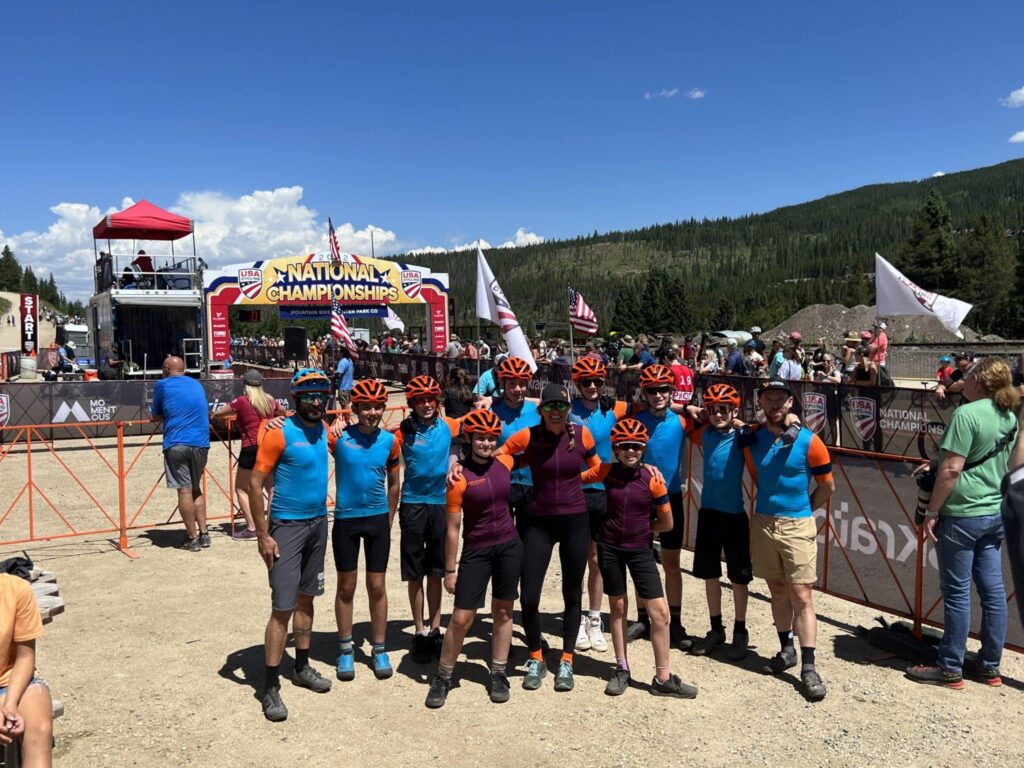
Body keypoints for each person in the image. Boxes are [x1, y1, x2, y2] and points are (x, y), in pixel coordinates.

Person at [908, 358, 1020, 688]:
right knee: (993, 590)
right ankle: (989, 664)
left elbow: (952, 471)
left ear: (979, 382)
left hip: (962, 510)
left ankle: (950, 666)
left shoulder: (967, 414)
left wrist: (931, 512)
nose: (962, 381)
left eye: (967, 376)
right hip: (993, 509)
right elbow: (982, 455)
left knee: (956, 592)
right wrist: (936, 459)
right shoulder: (1008, 414)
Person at [497, 383, 600, 692]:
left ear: (568, 408)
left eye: (561, 406)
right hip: (538, 521)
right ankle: (536, 657)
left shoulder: (582, 435)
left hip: (574, 520)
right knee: (528, 594)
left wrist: (572, 480)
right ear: (540, 409)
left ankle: (566, 659)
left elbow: (597, 468)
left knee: (572, 592)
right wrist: (520, 463)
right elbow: (500, 455)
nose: (556, 412)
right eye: (550, 407)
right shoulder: (529, 435)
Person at [586, 419, 698, 698]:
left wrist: (644, 529)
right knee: (619, 609)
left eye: (636, 446)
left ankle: (663, 678)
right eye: (624, 446)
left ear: (643, 448)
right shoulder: (605, 470)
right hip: (610, 548)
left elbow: (668, 523)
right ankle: (622, 668)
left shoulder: (653, 479)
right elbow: (571, 481)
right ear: (616, 448)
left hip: (640, 550)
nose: (630, 451)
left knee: (659, 614)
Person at [250, 368, 335, 722]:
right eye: (309, 396)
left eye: (321, 396)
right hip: (286, 526)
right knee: (282, 607)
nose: (316, 402)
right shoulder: (278, 432)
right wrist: (262, 534)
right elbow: (255, 485)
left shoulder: (324, 428)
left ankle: (301, 666)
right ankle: (269, 686)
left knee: (307, 598)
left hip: (318, 523)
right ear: (296, 399)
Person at [742, 379, 834, 702]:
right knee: (777, 590)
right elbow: (756, 473)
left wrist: (805, 509)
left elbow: (827, 487)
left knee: (802, 595)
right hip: (765, 522)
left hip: (796, 523)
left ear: (790, 404)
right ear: (761, 403)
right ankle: (787, 649)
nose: (775, 404)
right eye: (768, 398)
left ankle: (809, 667)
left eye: (780, 398)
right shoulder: (751, 439)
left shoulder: (810, 442)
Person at [425, 410, 523, 707]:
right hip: (476, 550)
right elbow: (453, 529)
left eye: (491, 438)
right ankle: (443, 676)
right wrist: (450, 570)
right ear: (468, 439)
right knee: (461, 618)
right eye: (480, 437)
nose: (486, 443)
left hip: (509, 545)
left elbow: (538, 443)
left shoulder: (505, 462)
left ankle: (498, 671)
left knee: (504, 611)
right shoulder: (458, 477)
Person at [330, 379, 402, 682]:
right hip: (346, 519)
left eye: (377, 407)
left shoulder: (390, 441)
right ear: (355, 408)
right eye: (366, 407)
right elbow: (303, 428)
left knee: (377, 586)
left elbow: (395, 482)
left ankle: (379, 647)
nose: (372, 412)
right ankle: (346, 649)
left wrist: (389, 516)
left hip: (377, 520)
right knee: (346, 586)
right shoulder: (338, 438)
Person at [395, 376, 461, 663]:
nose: (425, 405)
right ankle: (419, 630)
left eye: (430, 400)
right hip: (412, 504)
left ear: (438, 402)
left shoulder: (449, 426)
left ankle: (435, 628)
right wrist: (337, 424)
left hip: (440, 504)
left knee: (436, 571)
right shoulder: (403, 430)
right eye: (419, 401)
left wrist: (455, 462)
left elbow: (485, 417)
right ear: (411, 404)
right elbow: (370, 433)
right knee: (415, 572)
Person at [633, 365, 698, 650]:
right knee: (640, 559)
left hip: (671, 497)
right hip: (640, 497)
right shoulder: (634, 417)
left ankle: (676, 619)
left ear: (671, 392)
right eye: (652, 390)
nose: (657, 395)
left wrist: (690, 408)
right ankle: (642, 617)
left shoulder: (684, 421)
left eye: (663, 390)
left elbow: (724, 422)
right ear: (644, 393)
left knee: (672, 563)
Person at [689, 384, 753, 660]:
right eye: (713, 410)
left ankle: (741, 630)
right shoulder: (705, 432)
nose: (717, 415)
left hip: (734, 516)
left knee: (739, 578)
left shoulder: (742, 434)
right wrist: (696, 411)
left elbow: (760, 428)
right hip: (709, 514)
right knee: (710, 574)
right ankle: (716, 628)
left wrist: (739, 420)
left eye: (723, 409)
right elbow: (685, 416)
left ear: (734, 410)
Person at [569, 357, 629, 654]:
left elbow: (654, 408)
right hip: (576, 490)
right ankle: (578, 617)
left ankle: (595, 618)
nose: (592, 387)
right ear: (576, 385)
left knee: (597, 559)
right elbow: (534, 405)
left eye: (597, 381)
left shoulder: (614, 408)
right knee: (578, 558)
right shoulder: (568, 410)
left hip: (606, 491)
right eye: (585, 382)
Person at [212, 369, 287, 540]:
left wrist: (216, 415)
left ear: (244, 384)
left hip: (250, 446)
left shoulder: (242, 401)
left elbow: (220, 412)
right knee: (271, 487)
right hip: (267, 445)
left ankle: (252, 527)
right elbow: (282, 410)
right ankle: (272, 524)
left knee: (242, 489)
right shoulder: (269, 400)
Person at [150, 355, 211, 552]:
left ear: (167, 369)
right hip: (201, 442)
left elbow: (156, 414)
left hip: (177, 442)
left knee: (184, 490)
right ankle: (204, 533)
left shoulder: (162, 385)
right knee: (196, 488)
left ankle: (192, 538)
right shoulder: (196, 384)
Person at [0, 573, 53, 765]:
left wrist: (10, 704)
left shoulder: (16, 589)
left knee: (39, 729)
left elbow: (26, 656)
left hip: (11, 678)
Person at [490, 356, 541, 538]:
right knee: (502, 537)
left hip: (530, 483)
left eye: (522, 384)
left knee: (528, 538)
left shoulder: (538, 411)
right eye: (512, 384)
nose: (517, 389)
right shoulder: (490, 412)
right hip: (501, 481)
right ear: (503, 383)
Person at [335, 346, 354, 411]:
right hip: (349, 386)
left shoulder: (342, 361)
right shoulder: (350, 360)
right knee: (347, 403)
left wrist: (334, 373)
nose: (337, 353)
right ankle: (346, 418)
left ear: (341, 353)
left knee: (344, 404)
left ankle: (347, 419)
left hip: (343, 387)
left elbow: (339, 374)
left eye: (338, 351)